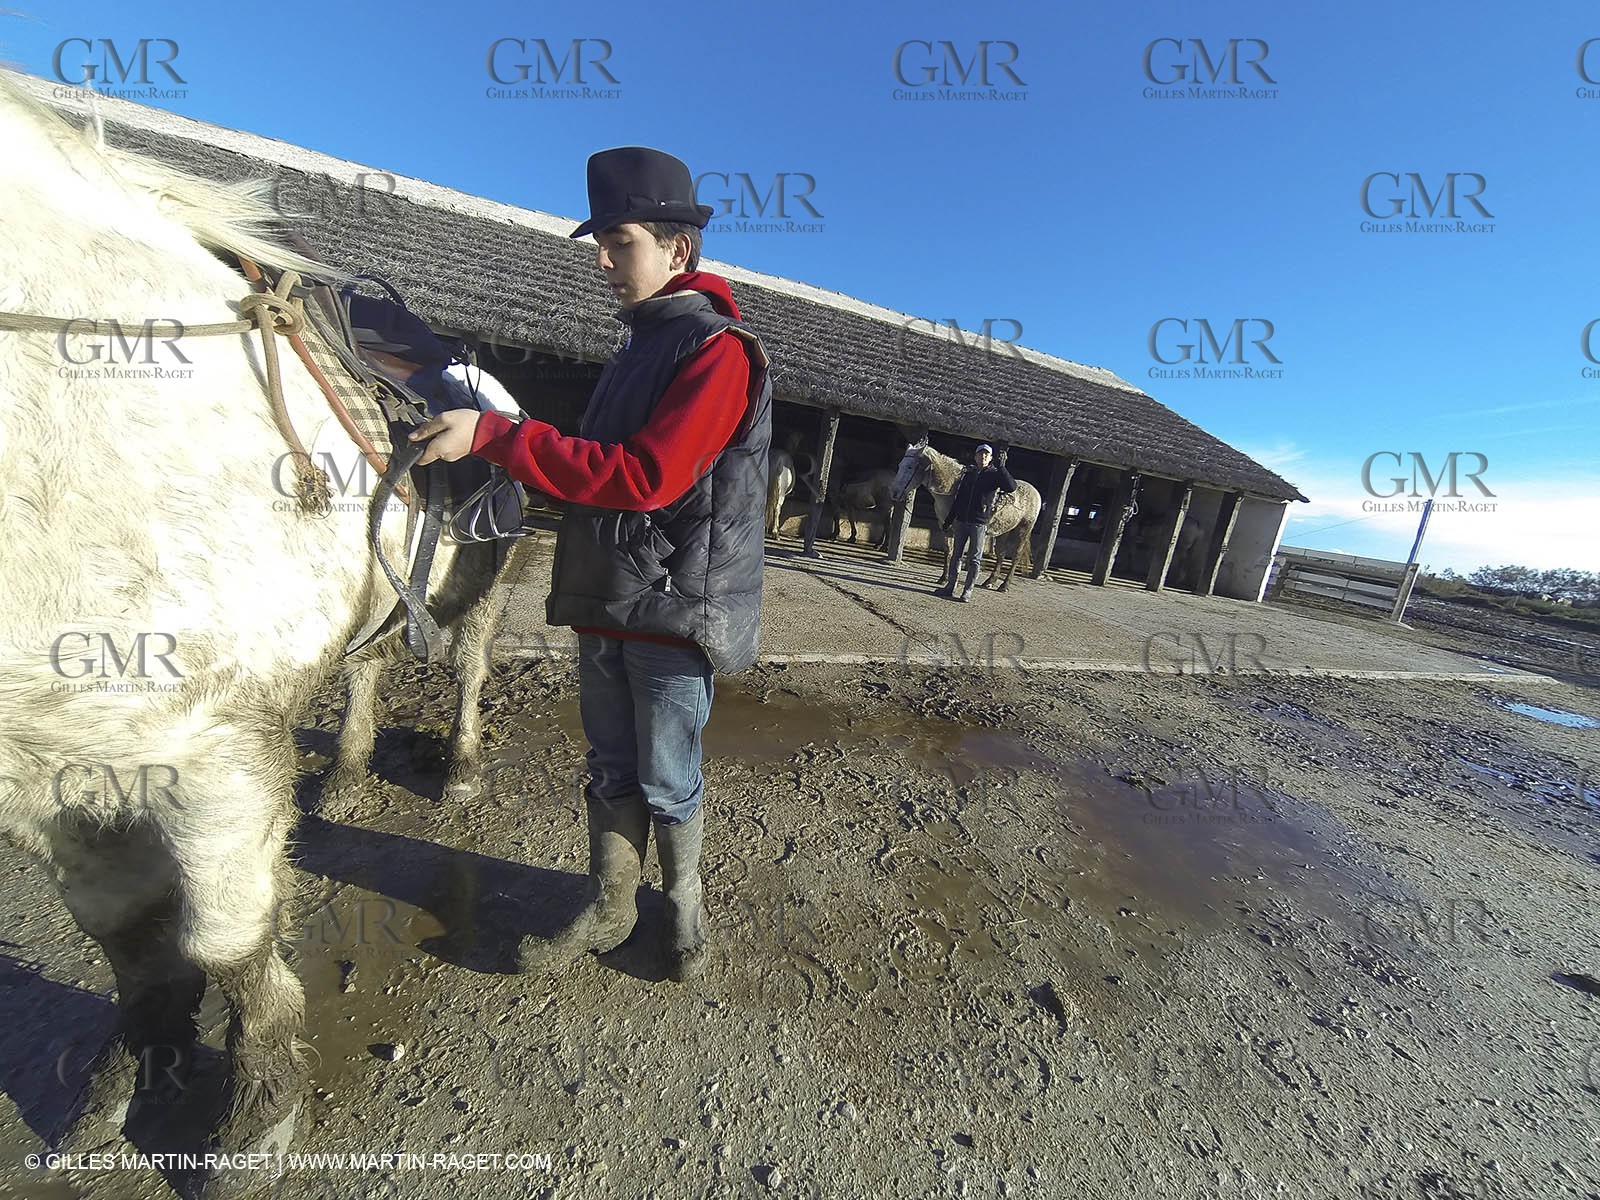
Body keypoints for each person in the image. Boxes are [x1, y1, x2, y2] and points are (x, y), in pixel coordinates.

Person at [410, 146, 773, 981]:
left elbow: (647, 478)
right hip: (607, 594)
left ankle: (682, 916)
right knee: (609, 764)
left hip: (673, 608)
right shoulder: (637, 350)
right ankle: (611, 907)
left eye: (620, 242)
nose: (603, 261)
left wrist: (496, 435)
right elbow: (590, 466)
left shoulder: (717, 353)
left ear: (679, 250)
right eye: (600, 244)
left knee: (667, 777)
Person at [936, 443, 1016, 602]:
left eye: (986, 454)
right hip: (962, 521)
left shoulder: (994, 475)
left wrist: (1002, 468)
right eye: (980, 454)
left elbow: (1011, 487)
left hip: (979, 523)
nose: (983, 456)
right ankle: (950, 586)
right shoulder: (969, 474)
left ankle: (967, 591)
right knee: (956, 556)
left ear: (990, 458)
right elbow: (959, 498)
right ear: (975, 456)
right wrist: (949, 520)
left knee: (974, 559)